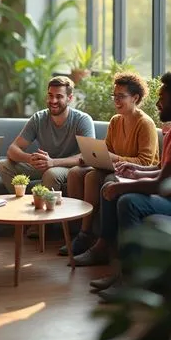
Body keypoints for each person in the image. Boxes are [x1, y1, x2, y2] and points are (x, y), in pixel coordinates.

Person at [87, 71, 171, 299]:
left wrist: (123, 186)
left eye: (161, 96)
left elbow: (162, 185)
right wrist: (137, 171)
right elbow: (164, 169)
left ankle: (132, 280)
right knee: (114, 186)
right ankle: (117, 266)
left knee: (128, 201)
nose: (157, 102)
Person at [62, 73, 159, 263]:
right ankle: (80, 233)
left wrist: (115, 158)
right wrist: (91, 158)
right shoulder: (116, 120)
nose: (116, 100)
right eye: (114, 95)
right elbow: (107, 150)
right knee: (76, 172)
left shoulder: (145, 123)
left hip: (137, 173)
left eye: (121, 96)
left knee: (98, 179)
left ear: (135, 98)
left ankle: (88, 235)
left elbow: (147, 162)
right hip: (115, 168)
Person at [0, 75, 95, 198]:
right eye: (50, 95)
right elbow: (12, 150)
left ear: (69, 98)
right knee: (2, 165)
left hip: (69, 166)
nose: (53, 100)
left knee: (51, 174)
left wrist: (53, 162)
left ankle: (43, 211)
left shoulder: (82, 120)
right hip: (44, 164)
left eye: (59, 96)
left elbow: (88, 156)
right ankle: (28, 203)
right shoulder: (39, 118)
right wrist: (31, 159)